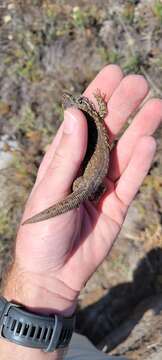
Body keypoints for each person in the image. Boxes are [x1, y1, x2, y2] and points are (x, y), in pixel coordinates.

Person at [0, 65, 161, 359]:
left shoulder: (94, 125)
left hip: (90, 183)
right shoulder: (97, 119)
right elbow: (98, 110)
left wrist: (41, 284)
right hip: (91, 182)